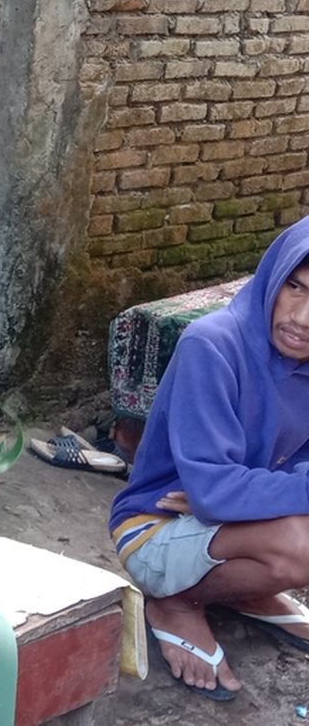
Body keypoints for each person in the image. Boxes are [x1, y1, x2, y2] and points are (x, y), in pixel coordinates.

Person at [109, 215, 309, 700]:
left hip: (234, 525)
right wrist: (225, 497)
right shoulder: (213, 344)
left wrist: (235, 499)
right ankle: (175, 602)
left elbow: (221, 495)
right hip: (155, 527)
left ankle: (246, 590)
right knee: (300, 544)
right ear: (274, 276)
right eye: (296, 287)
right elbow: (214, 493)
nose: (302, 318)